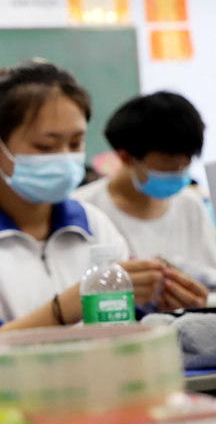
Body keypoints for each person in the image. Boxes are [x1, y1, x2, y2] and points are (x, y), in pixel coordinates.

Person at [0, 61, 207, 374]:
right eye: (45, 145)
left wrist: (159, 299)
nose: (65, 157)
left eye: (75, 143)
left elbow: (123, 331)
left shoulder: (93, 225)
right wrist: (67, 306)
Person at [74, 92, 216, 288]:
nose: (180, 174)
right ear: (125, 156)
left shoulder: (192, 206)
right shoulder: (85, 210)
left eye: (186, 164)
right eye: (169, 165)